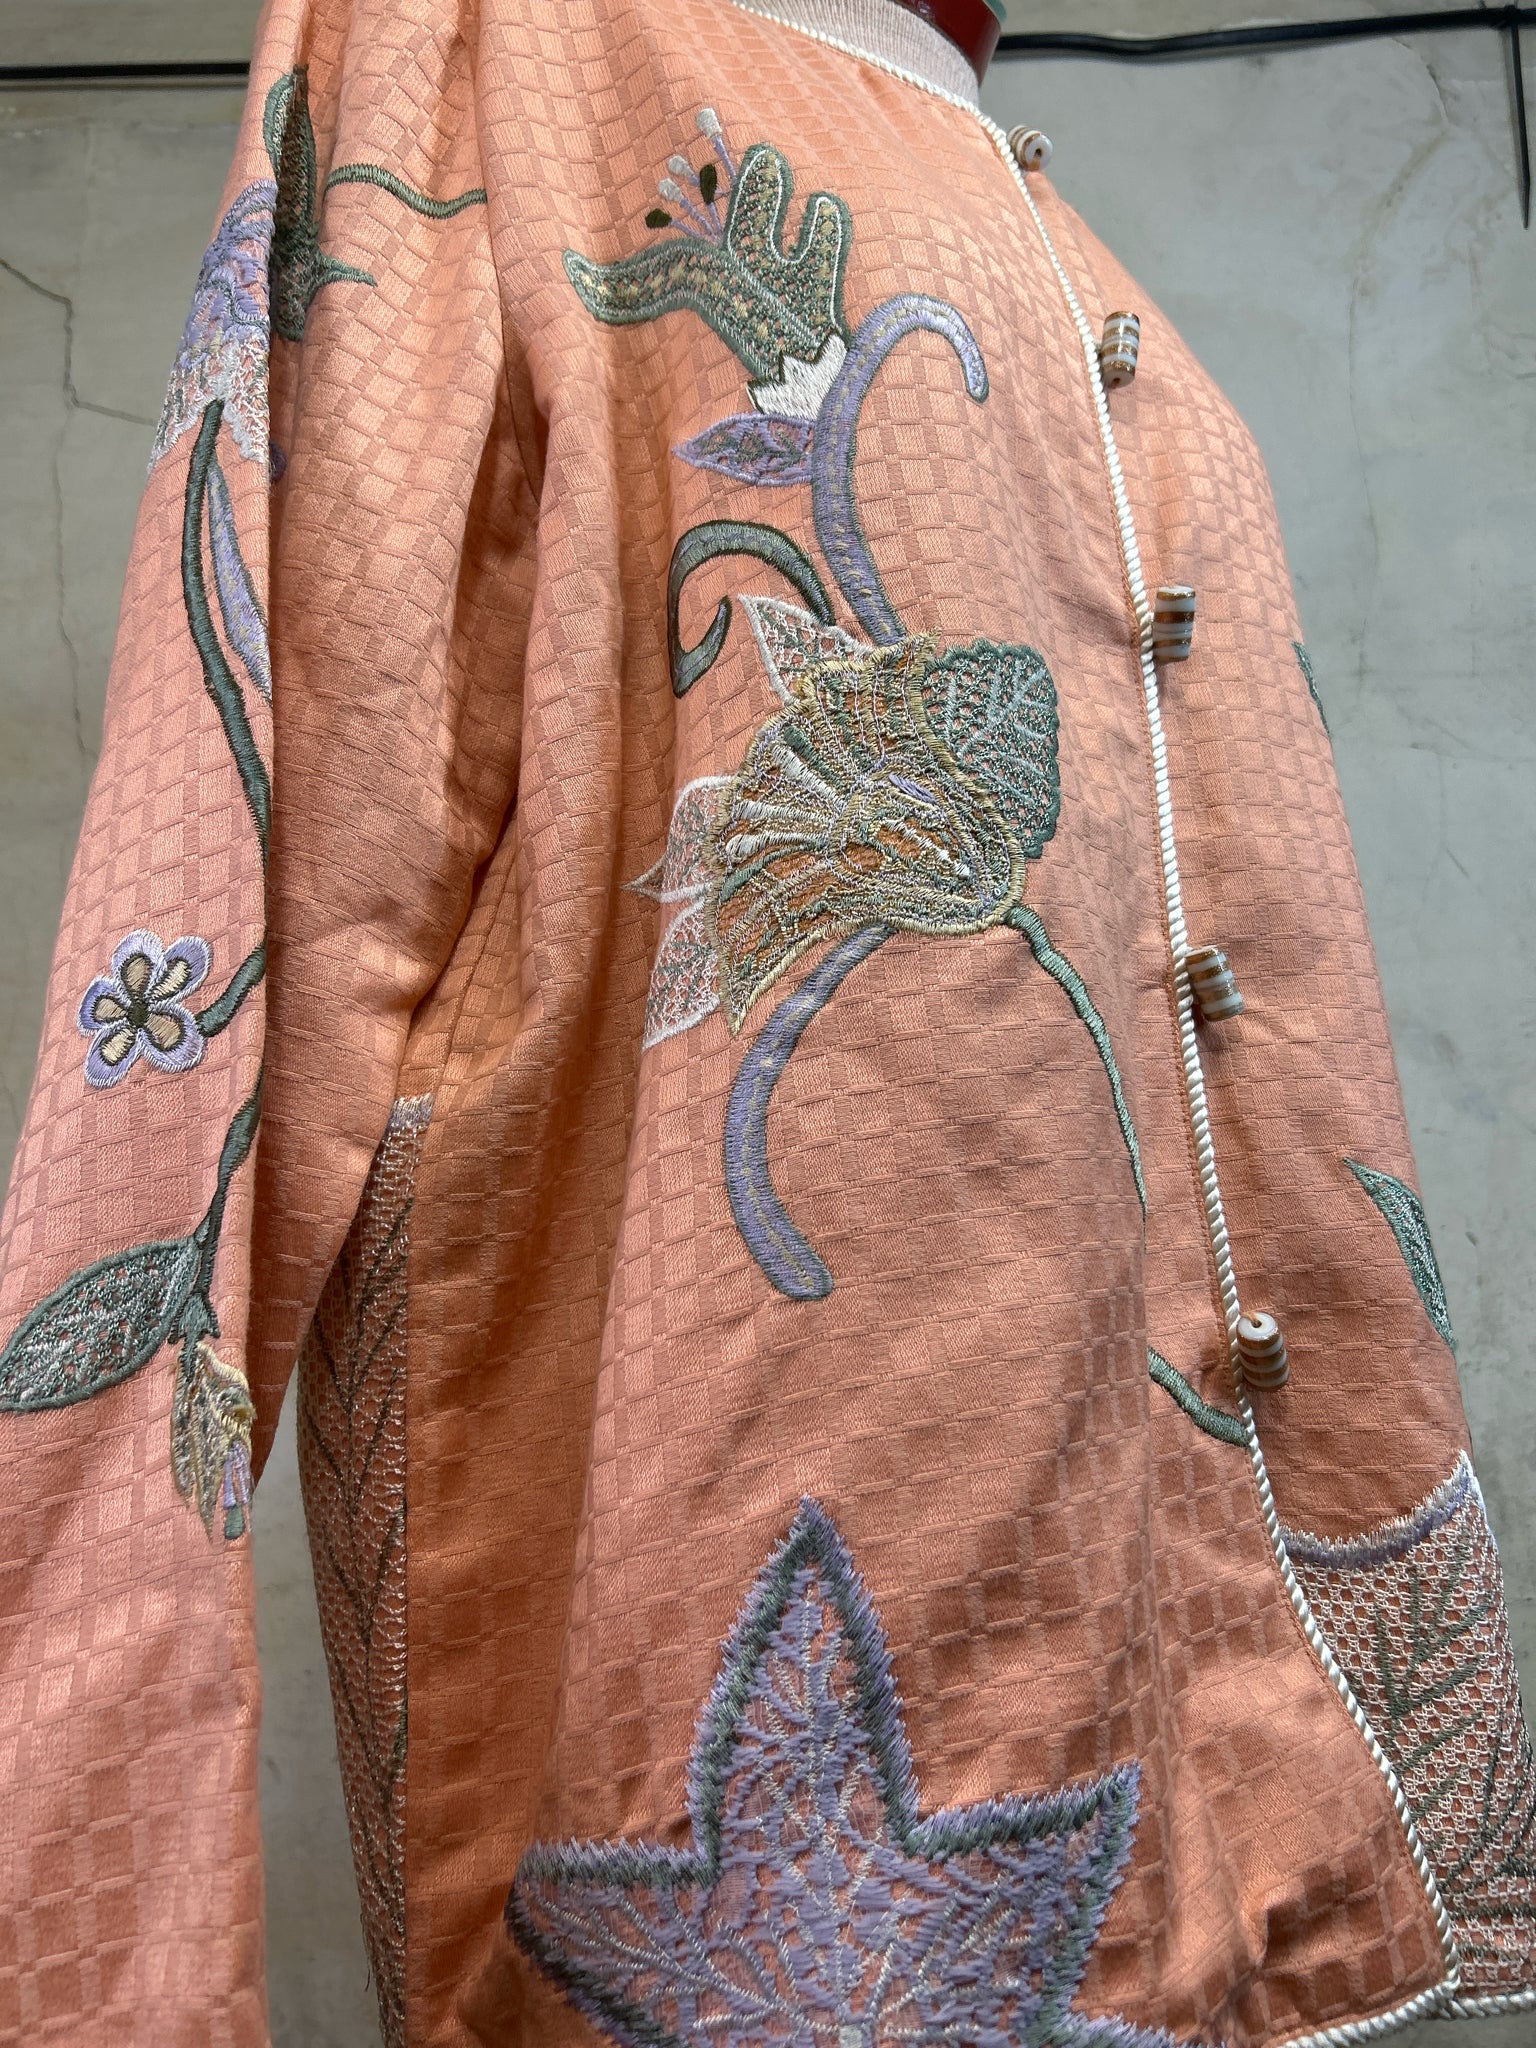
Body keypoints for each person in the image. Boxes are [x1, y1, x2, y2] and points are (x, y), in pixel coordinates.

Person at [1, 1, 1530, 2042]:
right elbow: (230, 887)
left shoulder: (1031, 199)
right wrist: (87, 1939)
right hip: (769, 1750)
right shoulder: (511, 54)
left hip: (1186, 1678)